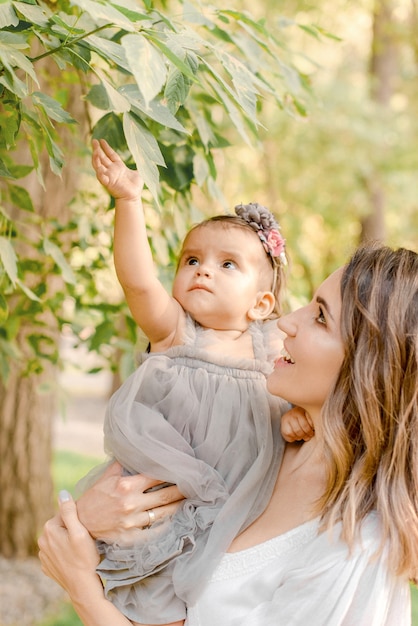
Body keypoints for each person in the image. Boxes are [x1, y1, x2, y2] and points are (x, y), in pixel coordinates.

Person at [39, 243, 418, 625]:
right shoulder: (261, 434)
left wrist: (83, 587)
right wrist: (91, 517)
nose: (286, 322)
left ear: (371, 367)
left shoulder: (354, 551)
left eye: (320, 317)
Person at [74, 139, 312, 626]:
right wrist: (128, 202)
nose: (203, 269)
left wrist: (297, 417)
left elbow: (309, 393)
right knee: (156, 592)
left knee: (211, 593)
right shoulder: (176, 332)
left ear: (262, 304)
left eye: (228, 264)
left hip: (237, 503)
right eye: (191, 260)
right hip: (170, 493)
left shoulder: (270, 349)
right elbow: (138, 282)